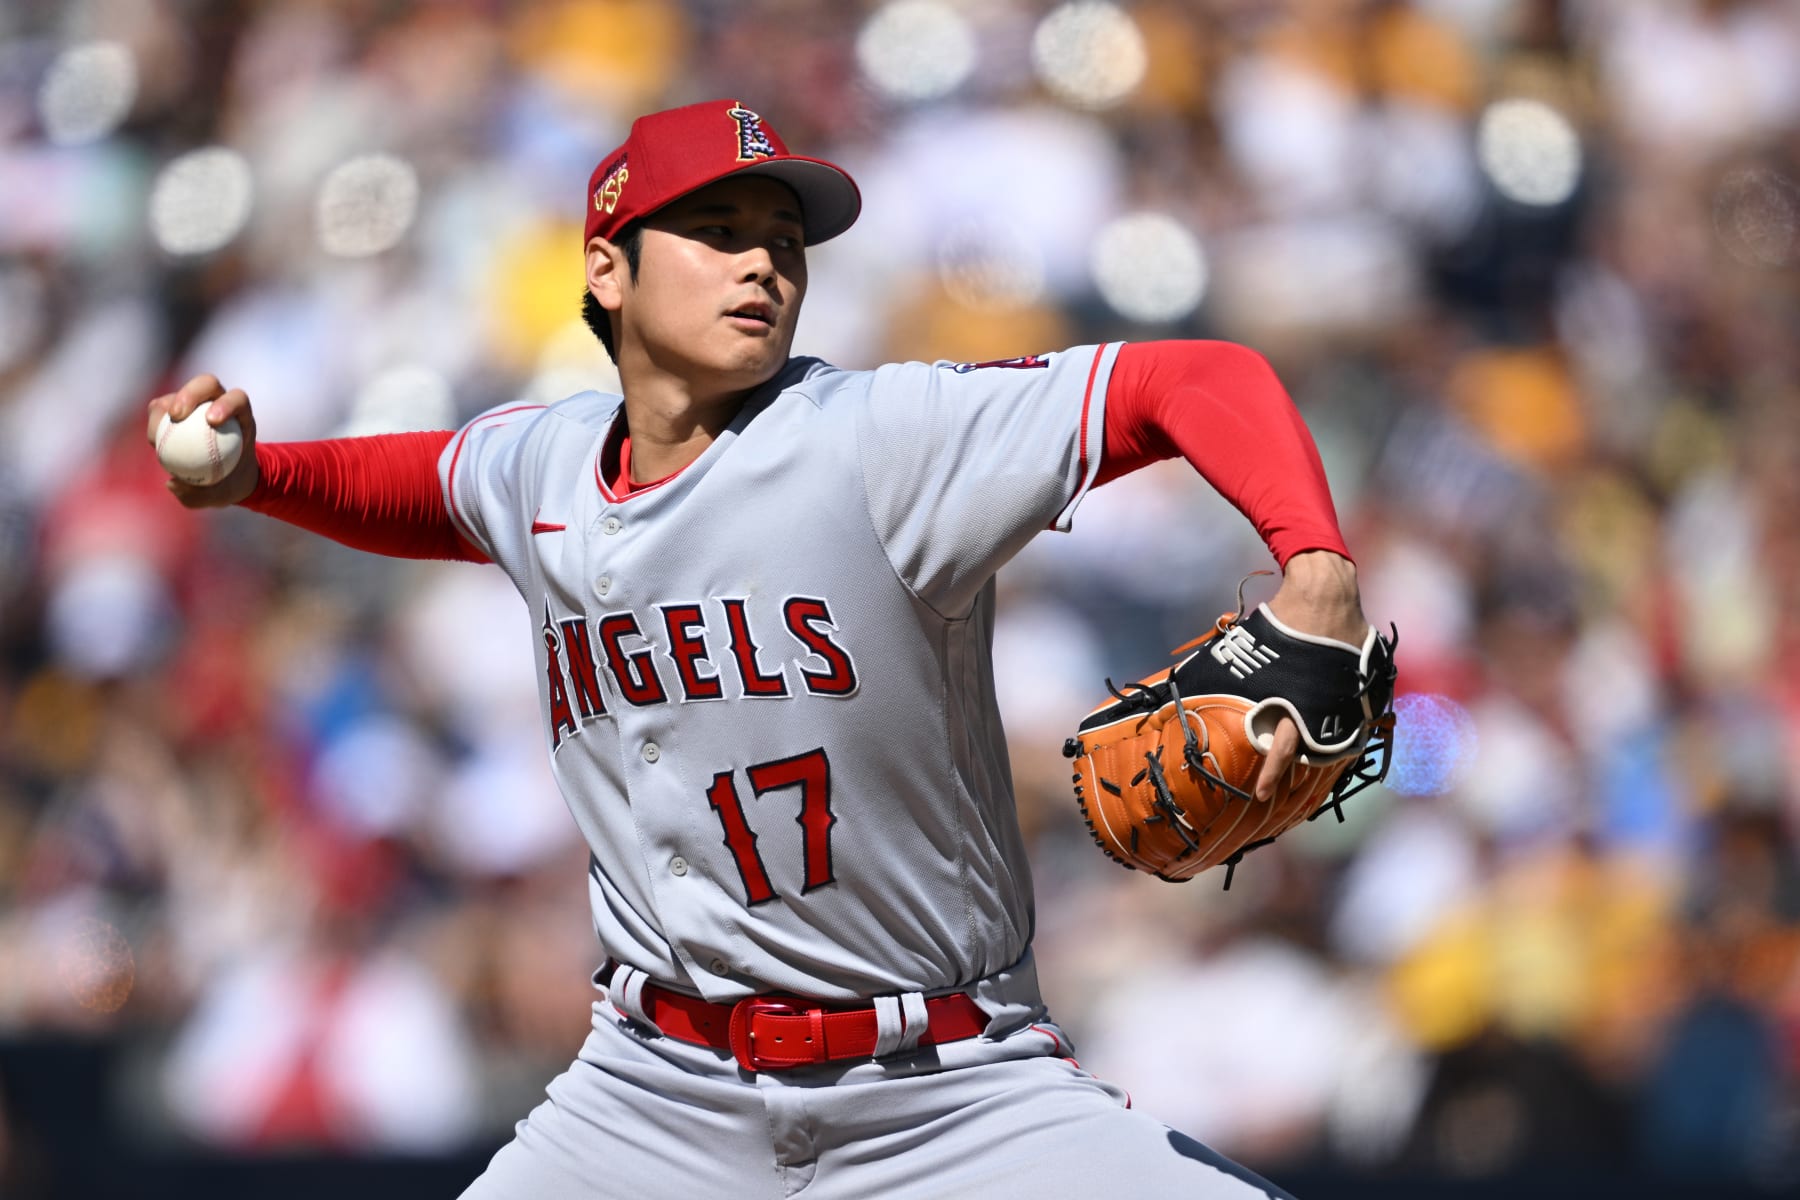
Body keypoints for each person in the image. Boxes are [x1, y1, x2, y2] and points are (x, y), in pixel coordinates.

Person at [148, 99, 1373, 1198]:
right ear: (607, 273)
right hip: (648, 1097)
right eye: (718, 231)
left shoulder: (882, 439)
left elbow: (1193, 377)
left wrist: (1313, 563)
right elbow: (431, 484)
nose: (762, 266)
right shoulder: (544, 463)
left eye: (781, 242)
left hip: (949, 1094)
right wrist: (264, 475)